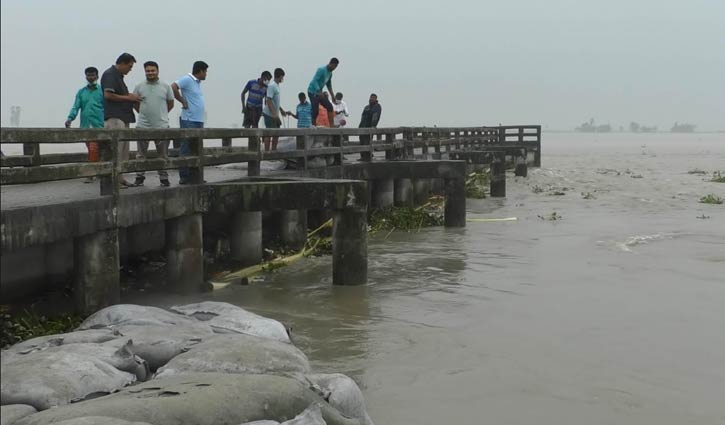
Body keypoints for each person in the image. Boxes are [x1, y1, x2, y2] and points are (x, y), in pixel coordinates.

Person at [101, 53, 141, 188]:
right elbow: (108, 95)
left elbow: (118, 94)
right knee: (116, 152)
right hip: (115, 118)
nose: (130, 69)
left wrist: (131, 96)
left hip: (123, 117)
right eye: (129, 66)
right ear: (122, 63)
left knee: (123, 153)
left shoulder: (118, 76)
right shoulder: (110, 74)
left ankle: (120, 178)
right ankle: (113, 181)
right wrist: (129, 98)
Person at [132, 61, 174, 187]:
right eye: (148, 71)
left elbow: (170, 103)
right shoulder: (139, 86)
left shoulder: (166, 86)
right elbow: (134, 102)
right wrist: (143, 113)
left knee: (163, 155)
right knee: (140, 155)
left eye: (152, 70)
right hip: (143, 125)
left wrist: (162, 114)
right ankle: (139, 177)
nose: (150, 73)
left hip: (161, 125)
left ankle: (163, 178)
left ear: (157, 71)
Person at [65, 66, 104, 183]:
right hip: (86, 125)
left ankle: (91, 173)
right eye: (88, 75)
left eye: (93, 75)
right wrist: (70, 118)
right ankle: (99, 171)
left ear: (97, 76)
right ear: (86, 76)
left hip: (99, 124)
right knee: (92, 149)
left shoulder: (102, 91)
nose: (90, 77)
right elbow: (76, 106)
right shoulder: (81, 92)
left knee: (94, 148)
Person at [172, 60, 208, 185]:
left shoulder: (197, 83)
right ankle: (184, 176)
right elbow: (173, 86)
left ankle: (195, 176)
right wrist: (182, 101)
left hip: (198, 119)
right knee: (186, 148)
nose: (206, 74)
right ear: (200, 71)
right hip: (189, 119)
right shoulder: (187, 79)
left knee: (196, 149)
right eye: (205, 71)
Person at [261, 68, 288, 151]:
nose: (282, 79)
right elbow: (268, 101)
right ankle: (267, 153)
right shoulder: (272, 86)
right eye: (282, 77)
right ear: (279, 76)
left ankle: (273, 151)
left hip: (274, 113)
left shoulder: (277, 86)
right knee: (269, 134)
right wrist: (274, 115)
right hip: (269, 114)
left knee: (276, 134)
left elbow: (275, 101)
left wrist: (281, 110)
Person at [307, 58, 338, 127]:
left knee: (329, 106)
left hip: (320, 92)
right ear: (330, 63)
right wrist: (318, 90)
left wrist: (332, 95)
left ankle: (331, 126)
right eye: (334, 66)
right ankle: (313, 125)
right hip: (312, 91)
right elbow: (315, 80)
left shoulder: (330, 73)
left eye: (336, 67)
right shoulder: (321, 70)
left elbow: (329, 85)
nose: (334, 68)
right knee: (315, 110)